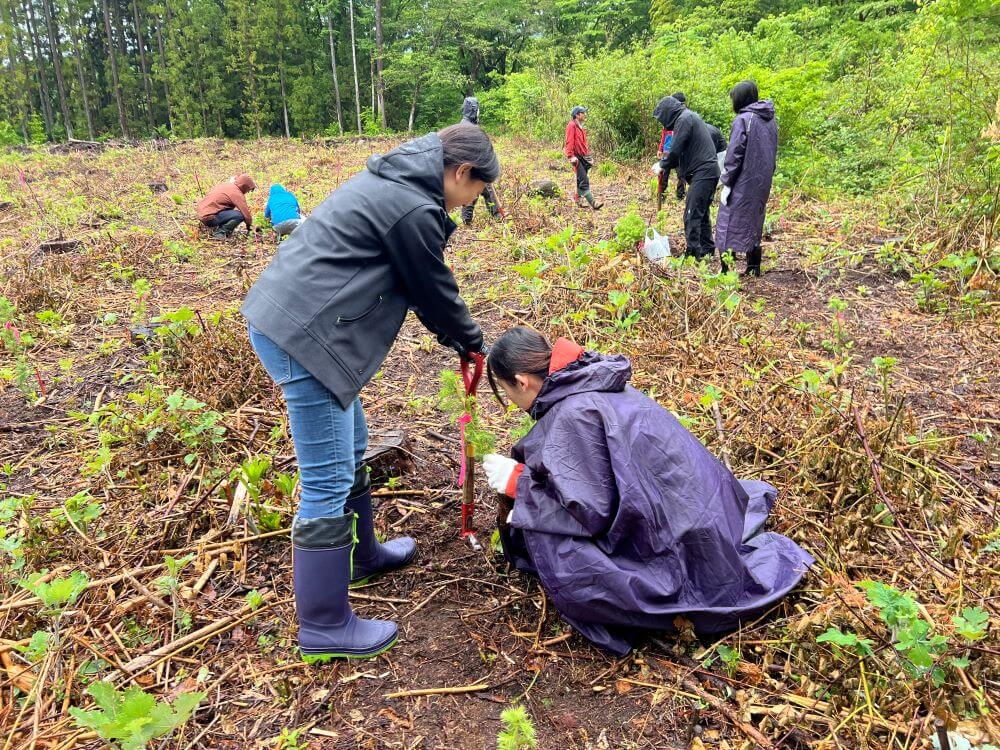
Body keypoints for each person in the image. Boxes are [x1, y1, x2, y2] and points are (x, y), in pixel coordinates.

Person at [241, 125, 497, 661]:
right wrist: (471, 341)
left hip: (303, 323)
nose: (473, 201)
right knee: (328, 477)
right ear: (460, 174)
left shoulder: (399, 181)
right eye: (477, 190)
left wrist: (461, 340)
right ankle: (324, 624)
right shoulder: (412, 208)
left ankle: (360, 557)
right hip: (304, 334)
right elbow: (432, 288)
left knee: (351, 445)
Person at [481, 327, 813, 657]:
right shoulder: (590, 379)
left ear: (522, 381)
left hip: (675, 541)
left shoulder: (572, 414)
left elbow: (590, 512)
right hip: (700, 510)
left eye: (507, 391)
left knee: (557, 546)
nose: (510, 401)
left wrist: (519, 485)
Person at [716, 80, 778, 277]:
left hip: (742, 181)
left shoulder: (744, 119)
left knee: (727, 220)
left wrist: (727, 182)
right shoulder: (769, 119)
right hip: (762, 181)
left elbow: (734, 154)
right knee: (754, 220)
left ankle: (726, 270)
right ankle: (753, 267)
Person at [653, 95, 720, 260]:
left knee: (691, 214)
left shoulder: (684, 119)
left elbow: (675, 150)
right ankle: (707, 250)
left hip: (704, 172)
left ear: (668, 113)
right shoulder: (687, 117)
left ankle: (693, 255)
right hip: (707, 172)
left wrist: (662, 164)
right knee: (701, 213)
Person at [458, 96, 503, 225]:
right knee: (485, 190)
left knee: (476, 191)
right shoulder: (470, 128)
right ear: (473, 110)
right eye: (477, 110)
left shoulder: (463, 125)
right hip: (476, 166)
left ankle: (468, 219)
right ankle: (497, 216)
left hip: (468, 167)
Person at [564, 105, 603, 210]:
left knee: (579, 180)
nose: (585, 115)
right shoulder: (571, 125)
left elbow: (583, 144)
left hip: (583, 157)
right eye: (583, 113)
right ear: (577, 115)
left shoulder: (581, 127)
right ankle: (593, 202)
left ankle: (577, 200)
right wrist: (571, 156)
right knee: (584, 180)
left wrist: (588, 157)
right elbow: (569, 142)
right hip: (576, 157)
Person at [197, 174, 256, 239]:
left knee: (231, 213)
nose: (247, 192)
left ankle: (219, 229)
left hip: (203, 214)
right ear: (244, 186)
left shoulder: (226, 186)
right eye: (248, 190)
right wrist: (250, 227)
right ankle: (220, 233)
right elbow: (246, 214)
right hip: (210, 217)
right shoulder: (236, 192)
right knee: (240, 215)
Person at [657, 91, 688, 200]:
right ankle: (661, 196)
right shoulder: (669, 118)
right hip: (667, 151)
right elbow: (663, 134)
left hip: (680, 152)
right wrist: (660, 149)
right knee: (663, 174)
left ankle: (680, 196)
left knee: (681, 175)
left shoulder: (685, 118)